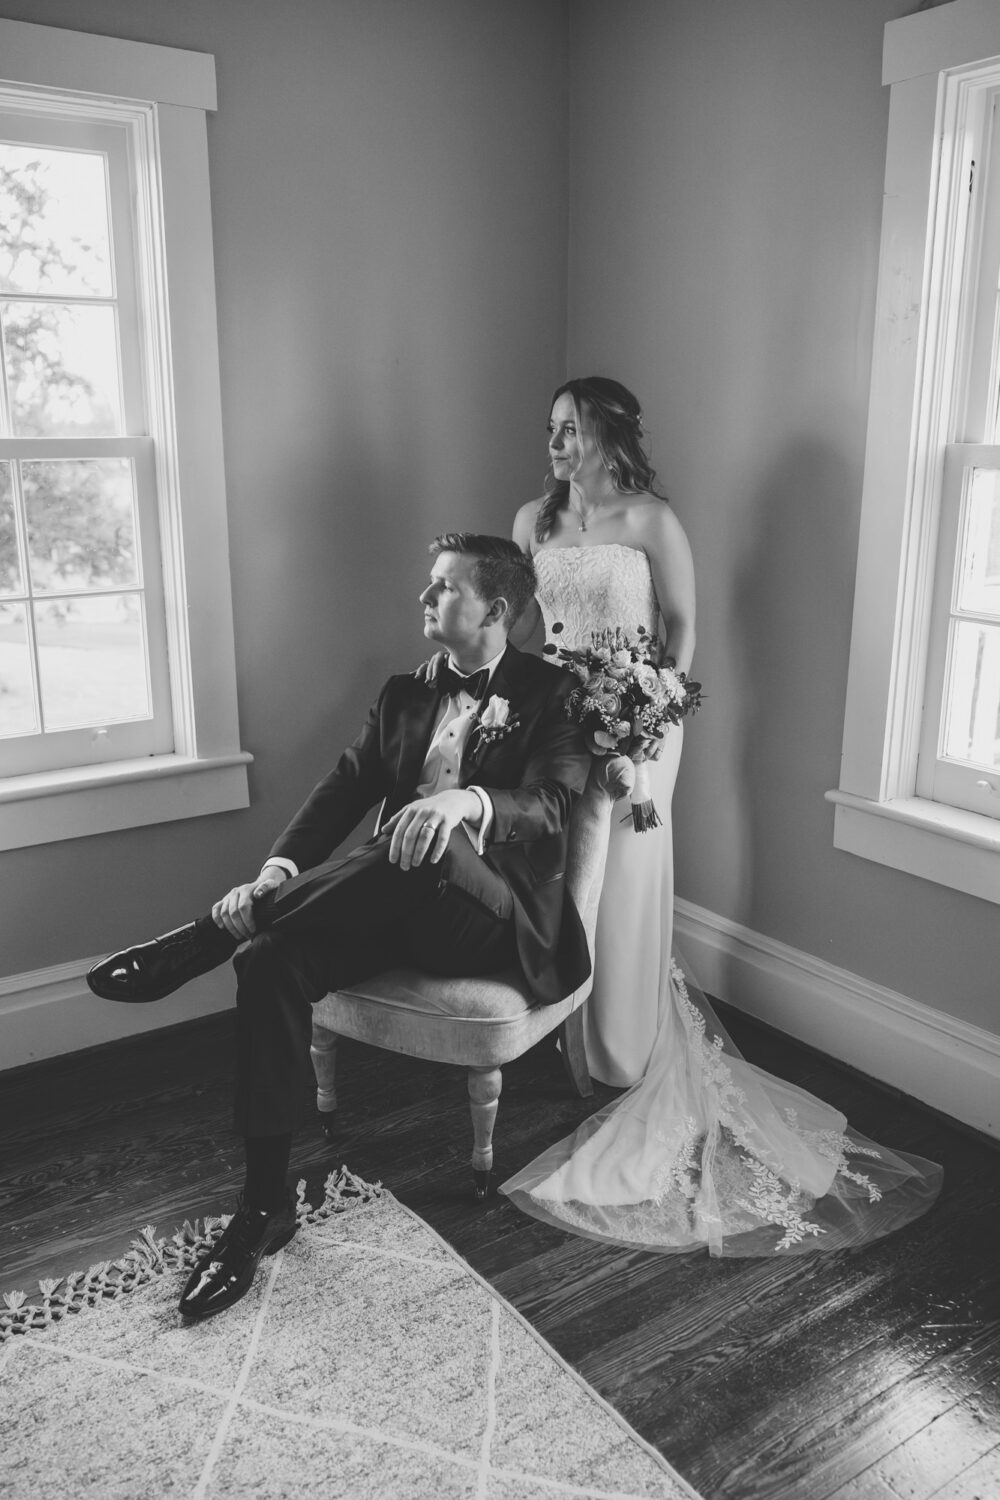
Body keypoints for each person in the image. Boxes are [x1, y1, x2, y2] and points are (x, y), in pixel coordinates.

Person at [87, 533, 592, 1317]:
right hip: (394, 899)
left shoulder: (554, 693)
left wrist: (467, 802)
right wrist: (277, 871)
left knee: (422, 838)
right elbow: (343, 788)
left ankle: (208, 934)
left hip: (495, 920)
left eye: (443, 587)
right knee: (271, 961)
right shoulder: (404, 692)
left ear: (494, 609)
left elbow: (553, 803)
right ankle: (263, 1207)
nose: (424, 598)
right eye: (428, 584)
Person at [499, 377, 942, 1256]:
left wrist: (649, 725)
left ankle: (622, 1050)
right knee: (555, 881)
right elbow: (524, 634)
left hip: (637, 729)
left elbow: (684, 632)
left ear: (607, 435)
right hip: (557, 731)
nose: (553, 443)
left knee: (620, 885)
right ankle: (561, 1037)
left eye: (569, 429)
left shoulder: (653, 522)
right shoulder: (531, 524)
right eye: (548, 428)